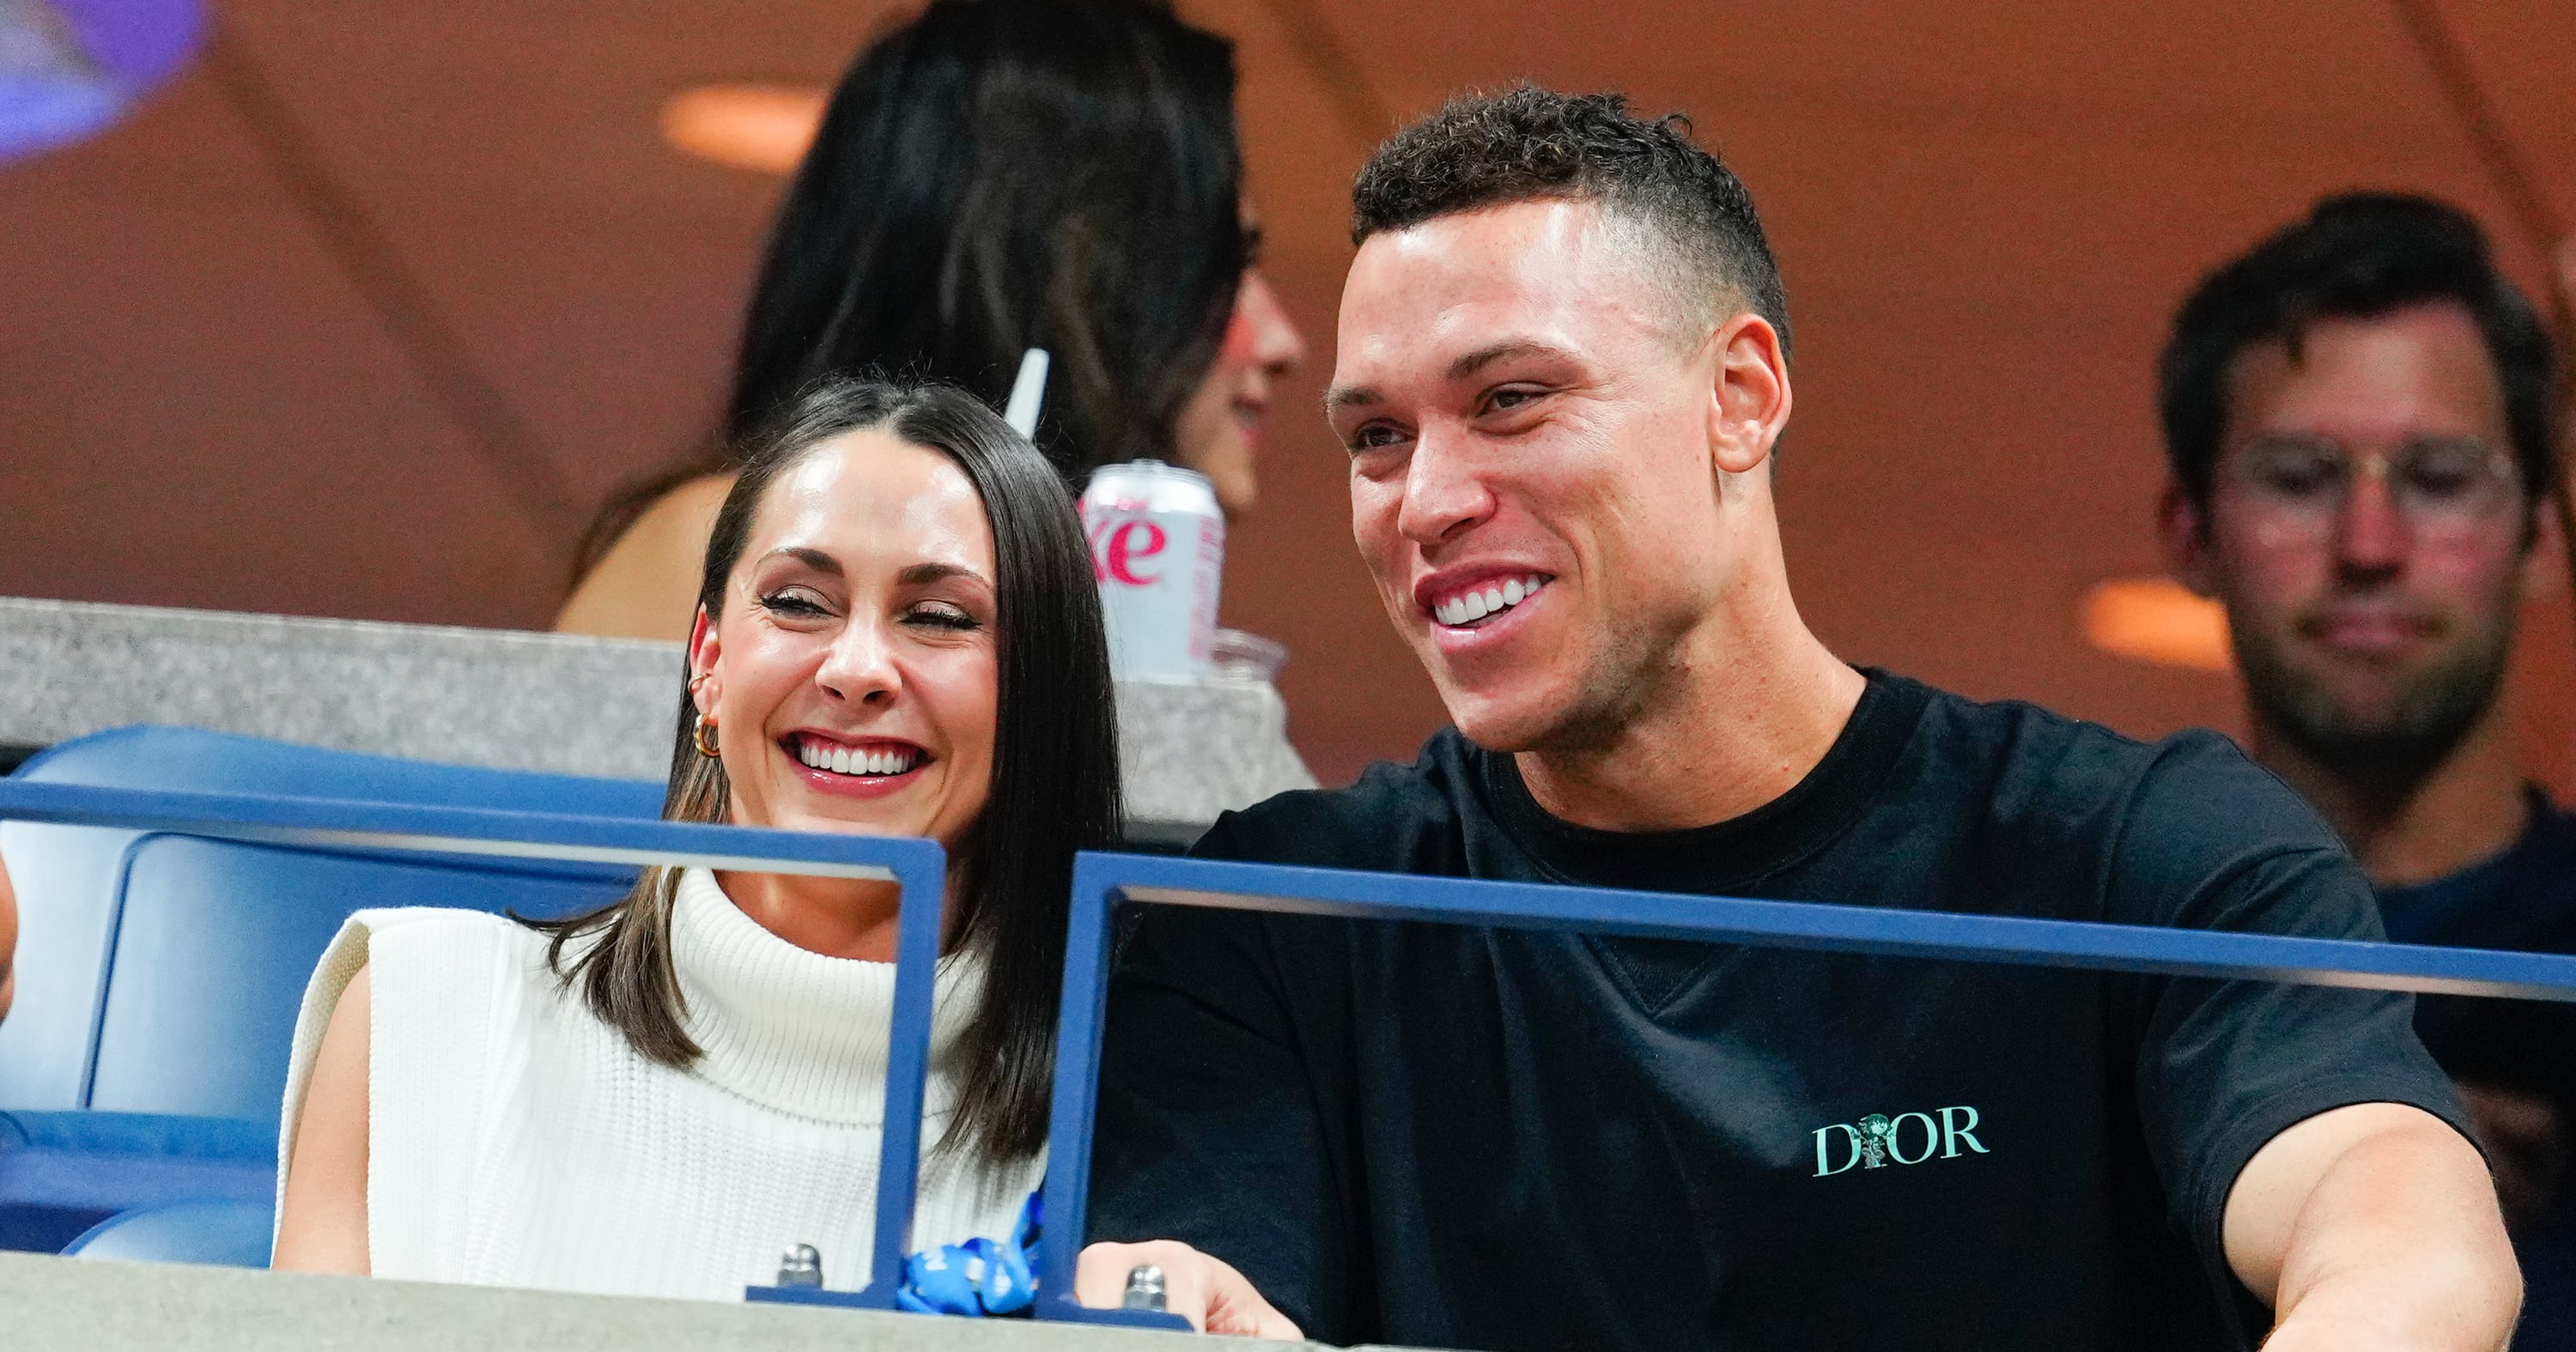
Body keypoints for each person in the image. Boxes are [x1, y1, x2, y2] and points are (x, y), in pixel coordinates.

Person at [1076, 88, 2518, 1350]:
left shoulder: (2136, 852)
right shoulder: (1277, 922)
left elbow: (2393, 1218)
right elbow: (1185, 1282)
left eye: (1510, 401)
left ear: (1741, 397)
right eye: (1377, 437)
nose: (1427, 501)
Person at [272, 378, 1121, 1298]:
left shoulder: (1141, 1111)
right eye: (800, 603)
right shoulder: (422, 1009)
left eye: (940, 618)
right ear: (709, 665)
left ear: (1043, 698)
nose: (858, 669)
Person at [2155, 194, 2576, 1346]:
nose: (2371, 547)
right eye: (2298, 476)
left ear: (2542, 532)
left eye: (2440, 475)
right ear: (2190, 531)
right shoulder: (2091, 964)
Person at [555, 0, 1305, 642]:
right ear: (1076, 274)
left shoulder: (1077, 609)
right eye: (1225, 267)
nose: (1285, 344)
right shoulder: (730, 543)